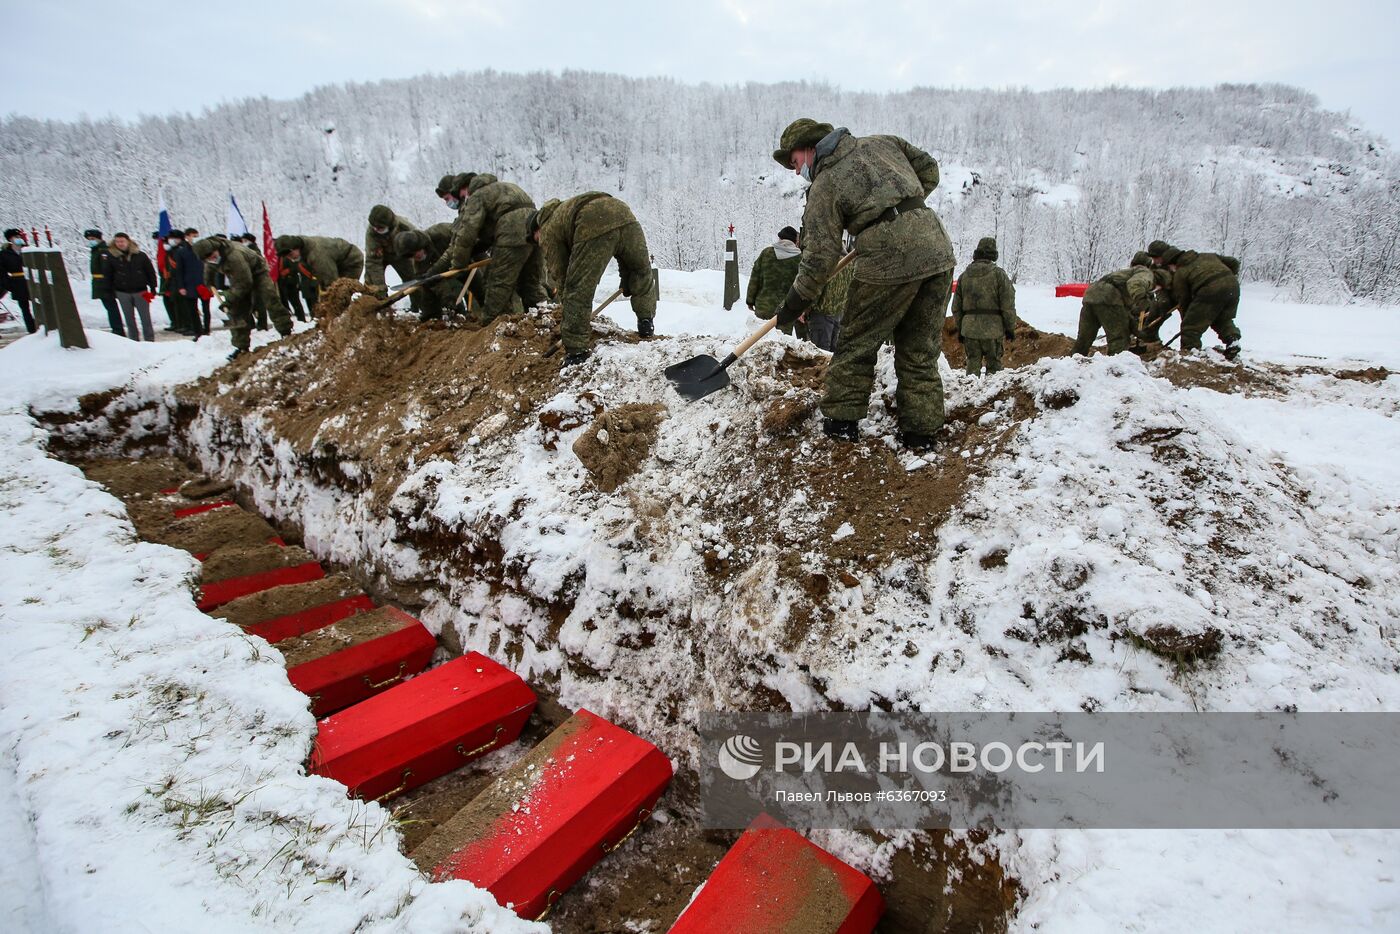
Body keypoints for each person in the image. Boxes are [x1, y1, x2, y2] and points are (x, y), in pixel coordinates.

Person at [770, 118, 955, 452]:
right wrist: (896, 211)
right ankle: (921, 435)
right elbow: (929, 170)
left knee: (856, 342)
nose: (797, 172)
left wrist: (794, 303)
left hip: (889, 258)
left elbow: (819, 257)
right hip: (936, 247)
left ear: (809, 149)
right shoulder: (883, 142)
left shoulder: (825, 184)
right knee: (919, 349)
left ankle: (841, 426)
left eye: (795, 163)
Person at [529, 192, 656, 365]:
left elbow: (562, 275)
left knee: (578, 287)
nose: (538, 243)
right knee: (639, 270)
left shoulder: (548, 227)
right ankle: (646, 323)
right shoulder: (565, 211)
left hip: (594, 222)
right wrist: (627, 279)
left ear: (537, 230)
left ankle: (576, 352)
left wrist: (571, 314)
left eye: (535, 239)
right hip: (624, 213)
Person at [426, 173, 547, 325]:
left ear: (464, 188)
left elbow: (466, 235)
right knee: (530, 283)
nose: (462, 198)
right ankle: (544, 319)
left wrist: (459, 264)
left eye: (459, 195)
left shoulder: (477, 196)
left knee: (497, 284)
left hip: (511, 232)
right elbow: (486, 234)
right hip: (535, 231)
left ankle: (495, 324)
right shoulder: (505, 188)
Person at [195, 236, 291, 359]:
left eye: (212, 256)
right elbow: (209, 271)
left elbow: (244, 283)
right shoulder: (210, 259)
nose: (212, 259)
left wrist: (230, 300)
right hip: (237, 277)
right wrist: (209, 283)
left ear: (216, 249)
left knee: (270, 298)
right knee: (236, 311)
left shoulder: (234, 256)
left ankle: (285, 332)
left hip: (258, 273)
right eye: (208, 259)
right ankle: (241, 347)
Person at [1157, 244, 1242, 358]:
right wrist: (1227, 275)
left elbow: (1184, 300)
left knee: (1190, 327)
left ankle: (1190, 353)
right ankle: (1232, 340)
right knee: (1221, 318)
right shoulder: (1207, 256)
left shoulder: (1181, 272)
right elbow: (1234, 262)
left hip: (1209, 290)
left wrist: (1187, 320)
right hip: (1233, 286)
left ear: (1172, 264)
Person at [950, 236, 1016, 375]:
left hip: (969, 330)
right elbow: (1008, 305)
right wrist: (1010, 328)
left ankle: (971, 388)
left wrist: (961, 328)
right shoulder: (999, 275)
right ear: (994, 254)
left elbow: (956, 307)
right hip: (993, 330)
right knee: (994, 368)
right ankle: (992, 389)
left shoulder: (964, 276)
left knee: (972, 365)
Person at [1071, 253, 1156, 356]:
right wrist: (1142, 300)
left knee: (1084, 338)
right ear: (1148, 265)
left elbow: (1121, 310)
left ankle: (1073, 361)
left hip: (1090, 294)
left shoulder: (1123, 273)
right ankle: (1116, 363)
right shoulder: (1143, 271)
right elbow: (1135, 283)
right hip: (1109, 296)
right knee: (1119, 338)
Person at [273, 235, 365, 314]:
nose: (290, 258)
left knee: (341, 293)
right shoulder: (302, 246)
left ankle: (344, 318)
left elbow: (332, 282)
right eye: (286, 256)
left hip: (351, 261)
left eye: (290, 254)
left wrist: (327, 304)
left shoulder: (317, 255)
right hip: (335, 261)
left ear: (296, 247)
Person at [393, 224, 455, 320]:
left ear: (420, 246)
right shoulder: (419, 265)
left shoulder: (439, 235)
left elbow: (462, 243)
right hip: (447, 272)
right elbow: (433, 281)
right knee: (432, 290)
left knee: (473, 292)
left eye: (415, 253)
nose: (415, 257)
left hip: (467, 257)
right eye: (410, 256)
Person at [746, 226, 802, 332]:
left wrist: (750, 300)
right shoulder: (799, 259)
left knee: (761, 338)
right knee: (782, 340)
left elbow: (755, 278)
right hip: (785, 310)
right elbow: (802, 285)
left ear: (780, 238)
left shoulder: (766, 253)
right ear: (795, 241)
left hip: (763, 306)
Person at [106, 232, 158, 341]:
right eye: (117, 241)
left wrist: (153, 287)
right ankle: (133, 340)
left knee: (145, 317)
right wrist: (110, 290)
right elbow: (108, 275)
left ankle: (149, 340)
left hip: (141, 291)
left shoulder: (140, 255)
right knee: (129, 318)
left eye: (122, 241)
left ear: (128, 241)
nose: (120, 244)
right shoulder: (111, 256)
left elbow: (150, 272)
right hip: (122, 291)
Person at [363, 204, 418, 296]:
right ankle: (377, 302)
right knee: (371, 283)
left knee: (414, 280)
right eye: (374, 226)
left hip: (402, 255)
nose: (376, 229)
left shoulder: (404, 227)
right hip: (379, 257)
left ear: (389, 224)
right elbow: (373, 262)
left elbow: (419, 245)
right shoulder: (371, 233)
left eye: (380, 227)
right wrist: (380, 288)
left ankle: (419, 303)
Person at [806, 245, 853, 351]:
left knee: (820, 351)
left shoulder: (826, 263)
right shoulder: (850, 263)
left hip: (821, 313)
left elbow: (816, 289)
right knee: (832, 351)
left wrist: (806, 308)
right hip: (838, 314)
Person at [84, 229, 124, 336]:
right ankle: (116, 328)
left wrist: (107, 284)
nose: (91, 241)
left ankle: (118, 330)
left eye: (92, 239)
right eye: (89, 239)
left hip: (104, 283)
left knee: (111, 307)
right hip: (99, 282)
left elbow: (106, 269)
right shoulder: (96, 250)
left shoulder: (103, 251)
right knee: (109, 307)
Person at [165, 229, 204, 338]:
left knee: (195, 307)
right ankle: (190, 326)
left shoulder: (197, 250)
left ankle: (197, 327)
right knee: (186, 306)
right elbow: (177, 269)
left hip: (198, 282)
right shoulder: (178, 251)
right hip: (184, 282)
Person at [0, 229, 35, 333]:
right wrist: (9, 285)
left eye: (19, 237)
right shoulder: (4, 254)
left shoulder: (27, 250)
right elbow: (2, 273)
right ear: (10, 239)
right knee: (25, 308)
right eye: (16, 237)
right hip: (18, 283)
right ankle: (32, 329)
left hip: (32, 280)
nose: (19, 239)